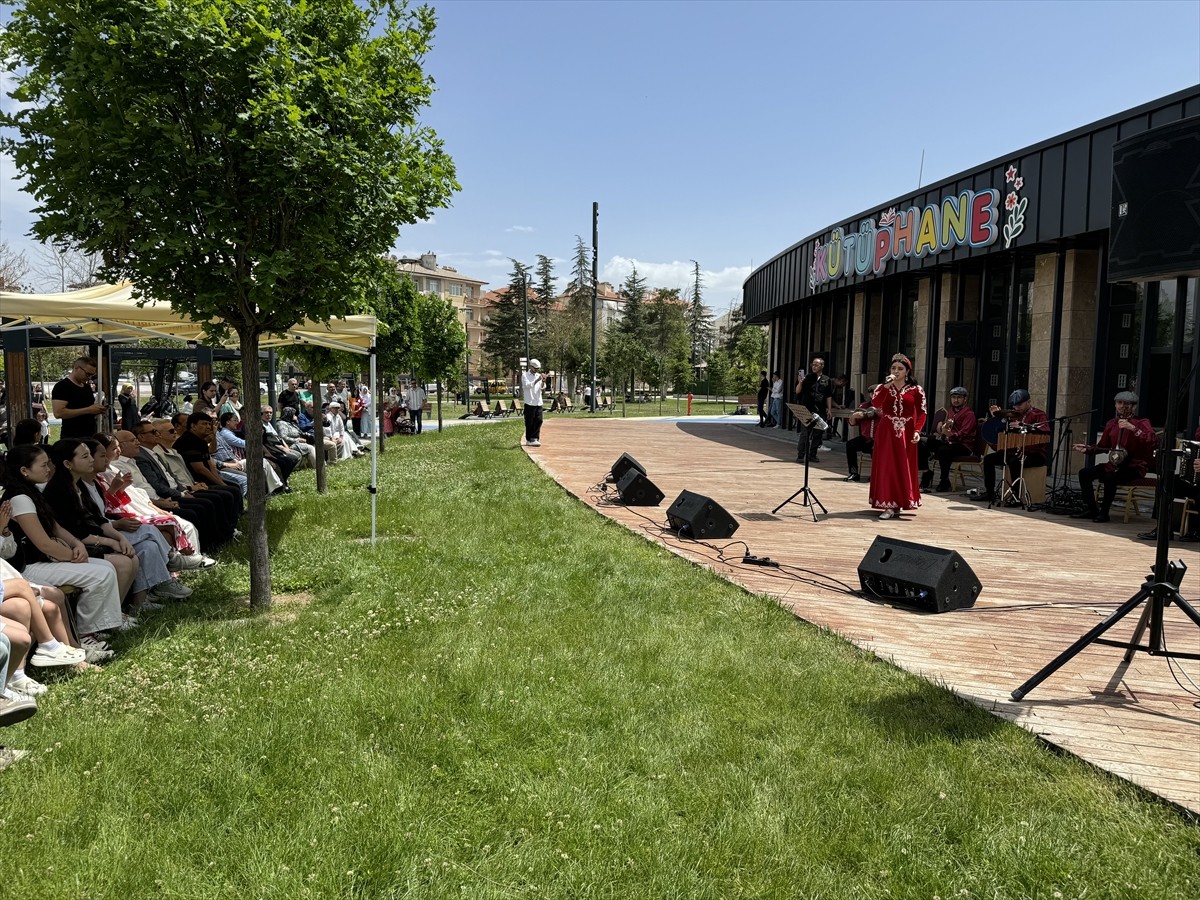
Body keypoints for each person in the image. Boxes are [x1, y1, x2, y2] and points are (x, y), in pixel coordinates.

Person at [1, 444, 125, 651]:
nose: (49, 468)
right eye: (43, 465)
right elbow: (43, 543)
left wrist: (77, 544)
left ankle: (93, 629)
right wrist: (73, 556)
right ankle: (85, 633)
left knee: (106, 568)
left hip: (42, 560)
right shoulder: (19, 498)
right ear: (24, 470)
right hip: (29, 566)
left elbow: (55, 527)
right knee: (100, 574)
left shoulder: (31, 491)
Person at [1071, 391, 1158, 523]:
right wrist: (1087, 449)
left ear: (1134, 406)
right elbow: (1103, 446)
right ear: (1115, 405)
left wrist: (1133, 428)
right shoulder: (1111, 423)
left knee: (1109, 477)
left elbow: (1153, 441)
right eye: (1119, 403)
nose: (1122, 406)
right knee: (1084, 473)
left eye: (1126, 403)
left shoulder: (1142, 422)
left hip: (1134, 467)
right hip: (1114, 465)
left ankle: (1104, 513)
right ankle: (1091, 509)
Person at [866, 354, 927, 520]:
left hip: (907, 432)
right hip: (887, 432)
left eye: (900, 368)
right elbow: (876, 404)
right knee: (887, 466)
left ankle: (900, 501)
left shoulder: (916, 390)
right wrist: (886, 386)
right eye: (893, 368)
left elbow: (922, 413)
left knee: (903, 466)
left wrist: (917, 431)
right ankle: (888, 504)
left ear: (907, 371)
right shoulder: (882, 388)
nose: (896, 371)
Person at [974, 389, 1050, 503]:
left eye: (1019, 405)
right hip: (1014, 452)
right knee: (989, 459)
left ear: (1028, 402)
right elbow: (1000, 431)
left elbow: (1045, 430)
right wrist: (997, 416)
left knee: (1014, 461)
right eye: (1014, 405)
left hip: (1035, 454)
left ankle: (1015, 496)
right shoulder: (1013, 415)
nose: (1016, 408)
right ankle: (989, 493)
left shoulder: (1038, 414)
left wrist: (1023, 426)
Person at [923, 387, 980, 493]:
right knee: (924, 443)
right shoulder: (950, 411)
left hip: (963, 445)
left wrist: (950, 435)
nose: (956, 400)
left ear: (965, 399)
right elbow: (946, 429)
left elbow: (964, 433)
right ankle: (926, 472)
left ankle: (944, 481)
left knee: (943, 450)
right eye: (954, 397)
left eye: (959, 397)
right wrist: (941, 430)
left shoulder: (969, 414)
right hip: (950, 442)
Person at [51, 355, 107, 439]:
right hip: (72, 437)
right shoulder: (63, 386)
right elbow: (58, 413)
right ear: (77, 368)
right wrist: (88, 410)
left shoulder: (87, 387)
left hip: (89, 435)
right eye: (87, 374)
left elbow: (87, 408)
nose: (89, 377)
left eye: (92, 375)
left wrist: (97, 410)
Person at [794, 357, 832, 462]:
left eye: (816, 365)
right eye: (813, 364)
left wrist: (829, 409)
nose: (814, 366)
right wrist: (800, 382)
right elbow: (797, 391)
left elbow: (828, 395)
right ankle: (800, 455)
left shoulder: (827, 379)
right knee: (805, 433)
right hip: (807, 409)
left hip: (820, 410)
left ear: (822, 366)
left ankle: (812, 455)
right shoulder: (807, 377)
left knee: (818, 433)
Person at [844, 386, 880, 482]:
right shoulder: (864, 405)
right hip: (866, 438)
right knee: (850, 444)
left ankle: (876, 475)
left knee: (875, 448)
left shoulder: (884, 406)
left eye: (877, 393)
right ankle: (854, 473)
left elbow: (879, 414)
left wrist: (866, 414)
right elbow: (852, 423)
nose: (874, 395)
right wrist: (854, 416)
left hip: (880, 440)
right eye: (872, 393)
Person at [520, 358, 545, 447]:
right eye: (535, 368)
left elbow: (542, 387)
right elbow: (527, 386)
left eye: (538, 369)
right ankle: (529, 439)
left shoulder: (538, 375)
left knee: (539, 420)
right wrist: (537, 380)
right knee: (529, 422)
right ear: (531, 367)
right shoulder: (525, 375)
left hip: (538, 401)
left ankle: (534, 438)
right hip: (529, 402)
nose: (536, 370)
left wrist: (543, 381)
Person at [829, 374, 855, 440]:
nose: (844, 386)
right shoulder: (830, 384)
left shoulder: (834, 386)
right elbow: (828, 397)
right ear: (841, 381)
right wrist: (836, 405)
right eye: (844, 384)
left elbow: (830, 398)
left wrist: (837, 406)